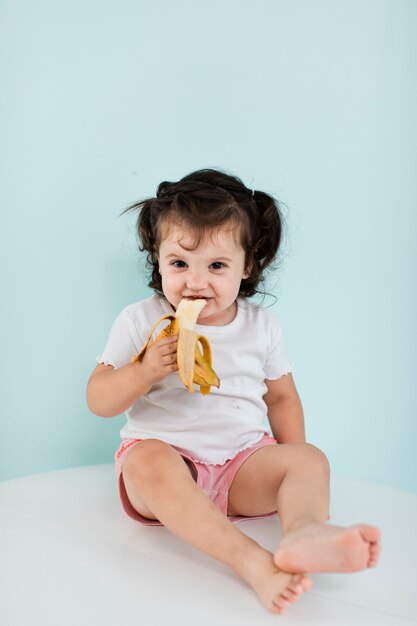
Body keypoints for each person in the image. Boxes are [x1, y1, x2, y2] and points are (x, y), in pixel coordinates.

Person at [86, 168, 381, 614]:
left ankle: (303, 531)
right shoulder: (141, 320)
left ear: (248, 266)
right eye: (180, 263)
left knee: (310, 458)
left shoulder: (262, 326)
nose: (196, 282)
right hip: (168, 465)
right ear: (158, 260)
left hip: (241, 464)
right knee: (147, 461)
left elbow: (281, 398)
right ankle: (251, 561)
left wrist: (288, 473)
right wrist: (142, 372)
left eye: (217, 266)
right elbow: (99, 400)